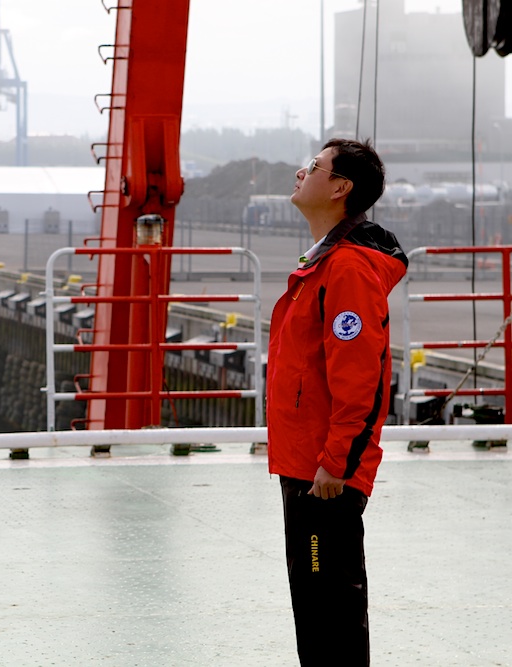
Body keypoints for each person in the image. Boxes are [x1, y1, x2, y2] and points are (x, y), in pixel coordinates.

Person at [266, 138, 408, 666]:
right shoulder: (322, 264)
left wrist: (336, 463)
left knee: (331, 606)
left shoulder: (345, 269)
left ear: (341, 188)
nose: (301, 171)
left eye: (317, 166)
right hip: (306, 462)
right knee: (316, 605)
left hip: (324, 473)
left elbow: (361, 377)